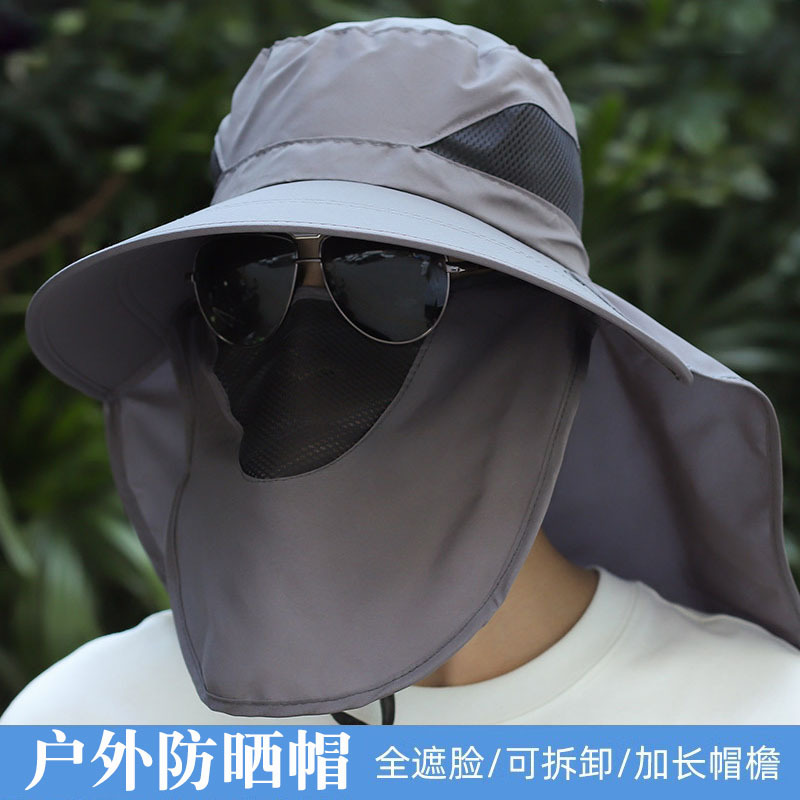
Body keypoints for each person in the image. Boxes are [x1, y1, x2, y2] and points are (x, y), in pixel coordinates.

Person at [2, 16, 800, 726]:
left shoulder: (755, 724)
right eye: (251, 275)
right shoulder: (91, 726)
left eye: (386, 273)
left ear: (538, 327)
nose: (304, 342)